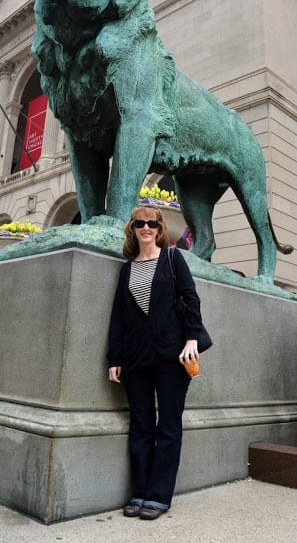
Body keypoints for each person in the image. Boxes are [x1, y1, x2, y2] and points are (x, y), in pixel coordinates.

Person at [108, 204, 208, 520]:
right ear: (133, 229)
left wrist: (192, 339)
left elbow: (190, 299)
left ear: (160, 228)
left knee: (167, 424)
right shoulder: (127, 268)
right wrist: (115, 357)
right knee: (140, 426)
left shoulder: (172, 259)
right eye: (139, 223)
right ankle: (140, 491)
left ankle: (159, 495)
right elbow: (118, 318)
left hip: (172, 356)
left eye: (151, 223)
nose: (146, 228)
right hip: (136, 359)